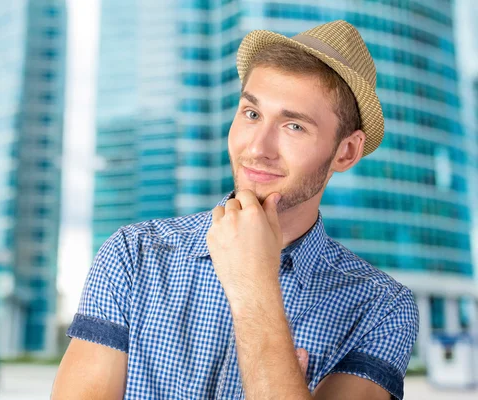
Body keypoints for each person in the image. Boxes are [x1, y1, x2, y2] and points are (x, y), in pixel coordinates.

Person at [51, 20, 419, 400]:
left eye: (294, 126)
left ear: (346, 152)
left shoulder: (381, 308)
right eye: (252, 114)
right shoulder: (134, 253)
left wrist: (254, 287)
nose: (258, 148)